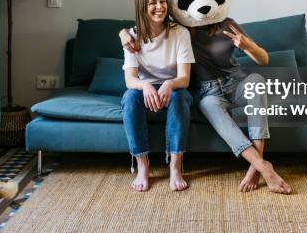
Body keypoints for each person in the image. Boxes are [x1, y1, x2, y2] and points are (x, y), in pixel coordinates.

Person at [121, 18, 292, 194]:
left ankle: (256, 167)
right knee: (207, 105)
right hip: (208, 92)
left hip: (237, 82)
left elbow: (264, 59)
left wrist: (248, 47)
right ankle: (263, 166)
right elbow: (152, 22)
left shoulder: (228, 24)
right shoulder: (181, 29)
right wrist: (122, 33)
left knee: (257, 81)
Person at [121, 0, 195, 192]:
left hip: (175, 87)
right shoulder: (131, 37)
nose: (159, 7)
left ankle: (175, 167)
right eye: (152, 3)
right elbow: (130, 80)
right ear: (142, 7)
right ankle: (143, 166)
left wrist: (169, 84)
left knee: (180, 98)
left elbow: (184, 78)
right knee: (129, 98)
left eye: (162, 1)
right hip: (145, 89)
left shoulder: (180, 33)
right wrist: (145, 85)